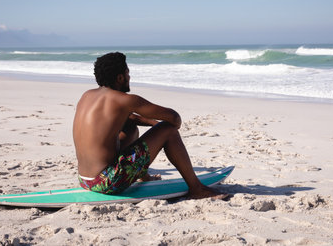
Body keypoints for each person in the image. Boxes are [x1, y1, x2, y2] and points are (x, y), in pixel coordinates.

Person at [73, 52, 228, 199]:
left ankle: (144, 177)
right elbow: (175, 119)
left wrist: (153, 124)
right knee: (168, 130)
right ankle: (197, 189)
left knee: (131, 130)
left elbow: (129, 119)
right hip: (107, 183)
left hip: (85, 180)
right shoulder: (125, 100)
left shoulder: (87, 96)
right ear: (120, 77)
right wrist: (160, 128)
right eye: (127, 72)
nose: (129, 76)